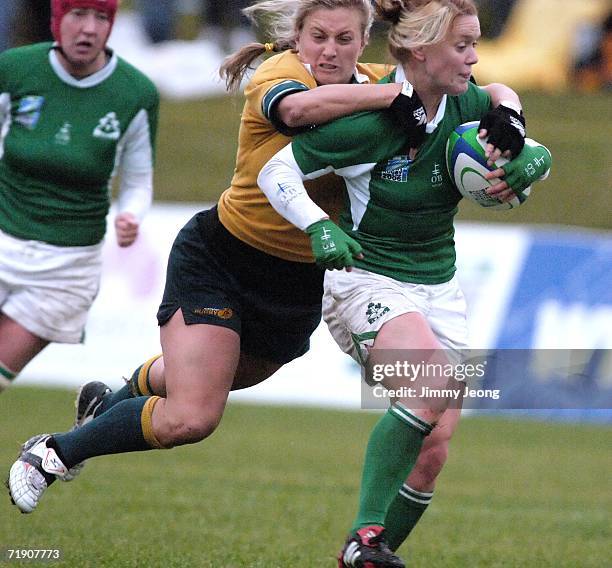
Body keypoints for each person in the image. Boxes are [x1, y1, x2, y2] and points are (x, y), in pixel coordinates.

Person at [7, 0, 524, 558]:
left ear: (365, 41)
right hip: (225, 259)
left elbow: (474, 88)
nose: (331, 50)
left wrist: (508, 115)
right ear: (297, 37)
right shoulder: (284, 76)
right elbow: (298, 114)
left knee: (209, 382)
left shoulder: (377, 83)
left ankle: (114, 402)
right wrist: (397, 98)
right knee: (192, 416)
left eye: (346, 39)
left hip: (298, 285)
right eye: (319, 37)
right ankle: (53, 453)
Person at [256, 0, 552, 565]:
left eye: (475, 43)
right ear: (421, 51)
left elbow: (498, 99)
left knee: (433, 450)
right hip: (366, 283)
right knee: (431, 382)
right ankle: (366, 536)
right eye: (462, 45)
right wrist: (318, 226)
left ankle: (367, 557)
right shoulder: (375, 118)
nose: (473, 56)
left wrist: (522, 151)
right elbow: (278, 171)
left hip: (439, 289)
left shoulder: (466, 103)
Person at [0, 0, 159, 393]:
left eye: (101, 17)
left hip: (67, 266)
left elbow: (138, 179)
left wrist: (132, 215)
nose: (88, 29)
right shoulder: (16, 69)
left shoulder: (135, 92)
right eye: (78, 14)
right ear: (57, 19)